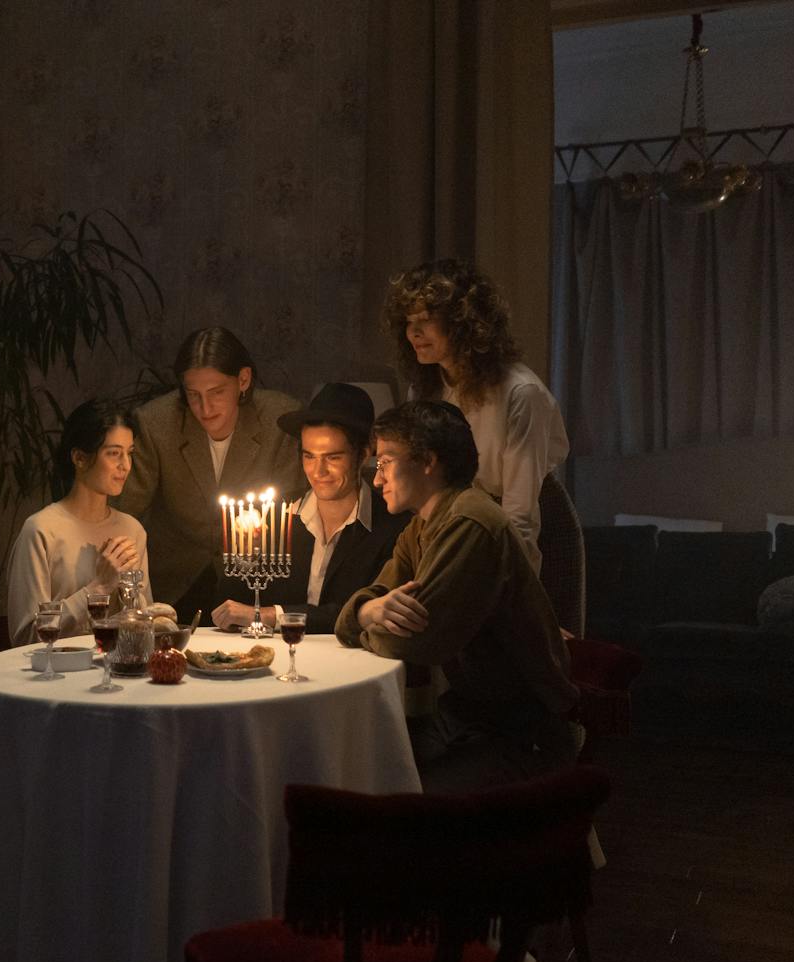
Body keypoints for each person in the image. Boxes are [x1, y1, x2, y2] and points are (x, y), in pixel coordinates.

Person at [335, 400, 577, 792]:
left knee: (389, 791)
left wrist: (369, 620)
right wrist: (369, 612)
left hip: (519, 733)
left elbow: (415, 642)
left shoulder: (470, 522)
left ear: (428, 462)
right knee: (357, 765)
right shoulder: (421, 526)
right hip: (466, 717)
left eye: (386, 463)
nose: (377, 480)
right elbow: (352, 616)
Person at [384, 259, 569, 571]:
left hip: (520, 535)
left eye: (426, 320)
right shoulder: (424, 389)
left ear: (462, 323)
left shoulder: (520, 393)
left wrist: (509, 585)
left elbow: (520, 515)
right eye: (408, 322)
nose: (413, 332)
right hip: (456, 529)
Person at [116, 327, 303, 617]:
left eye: (217, 392)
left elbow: (292, 512)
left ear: (243, 380)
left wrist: (259, 530)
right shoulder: (156, 424)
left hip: (256, 583)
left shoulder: (280, 420)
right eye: (193, 395)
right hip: (175, 585)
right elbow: (126, 511)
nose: (205, 408)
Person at [211, 383, 410, 634]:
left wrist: (271, 615)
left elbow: (366, 612)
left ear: (363, 455)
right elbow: (229, 610)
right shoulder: (273, 518)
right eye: (309, 456)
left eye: (333, 457)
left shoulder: (393, 528)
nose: (318, 471)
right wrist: (245, 552)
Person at [4, 400, 151, 647]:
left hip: (118, 667)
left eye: (130, 453)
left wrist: (130, 597)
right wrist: (99, 588)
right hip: (55, 669)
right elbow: (25, 637)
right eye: (114, 453)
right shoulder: (41, 530)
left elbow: (144, 627)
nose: (125, 465)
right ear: (80, 458)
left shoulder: (132, 530)